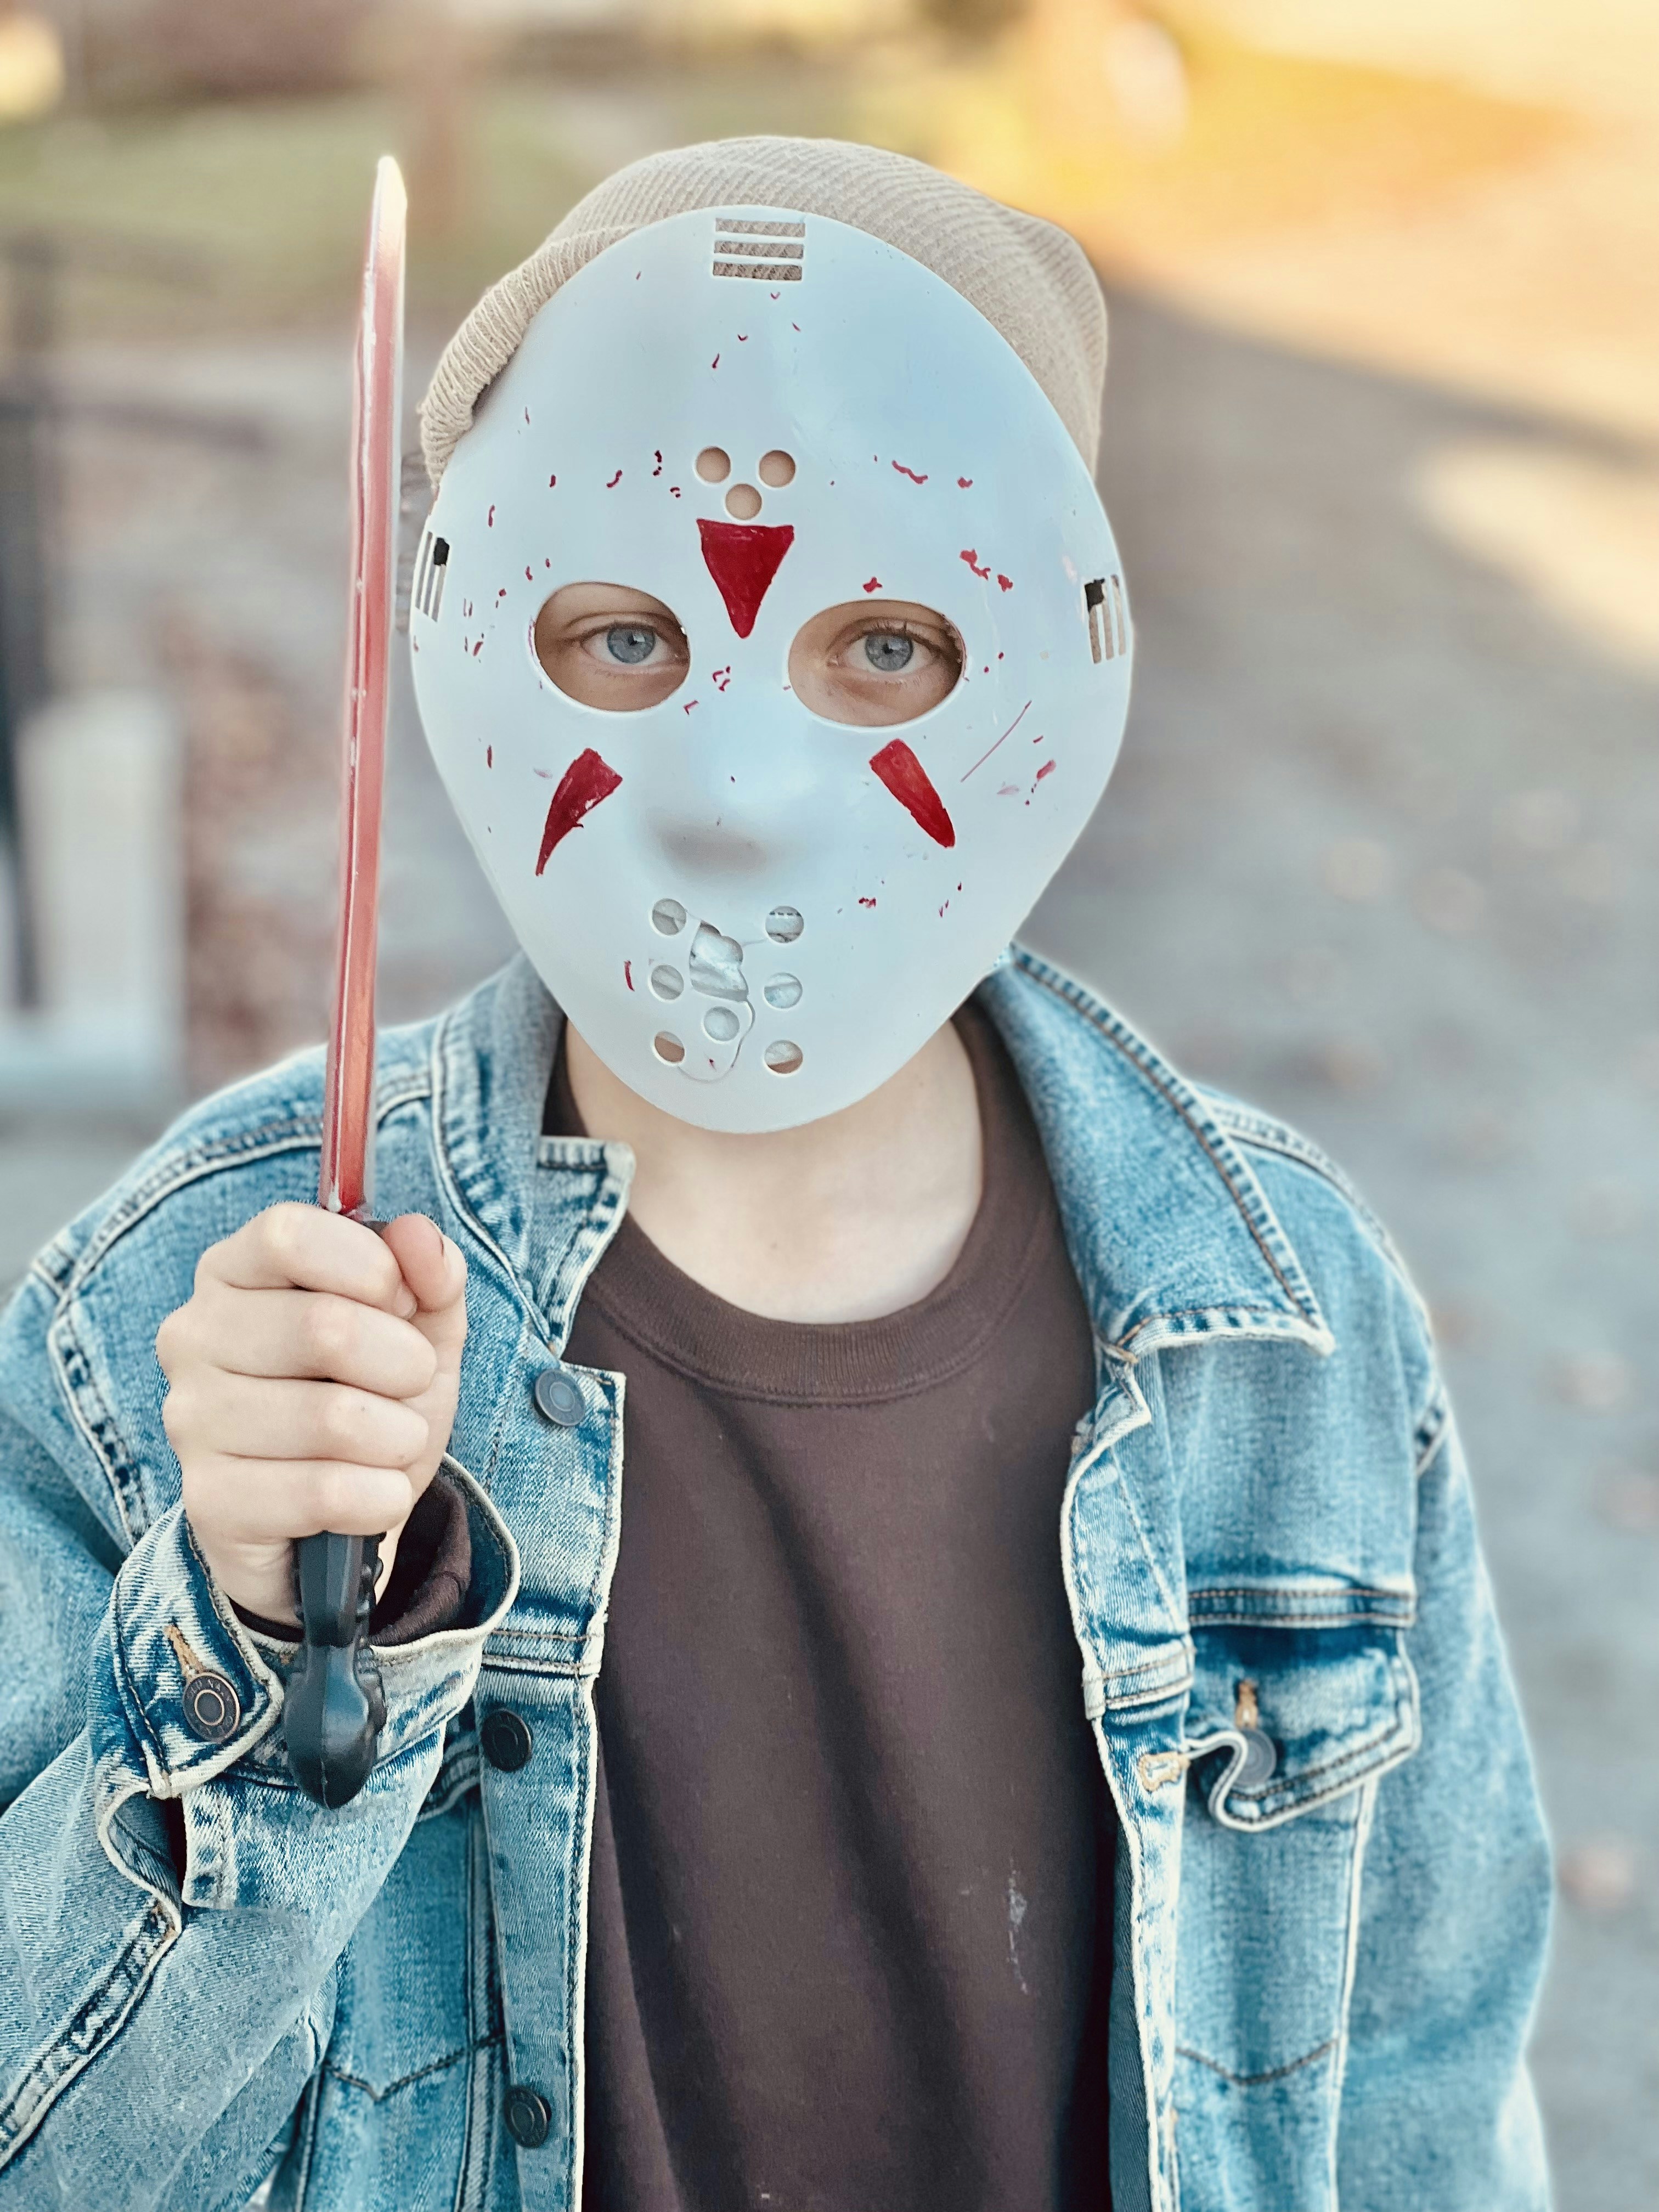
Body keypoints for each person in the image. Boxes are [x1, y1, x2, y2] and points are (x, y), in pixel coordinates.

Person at [0, 138, 1551, 2212]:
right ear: (468, 621)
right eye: (626, 639)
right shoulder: (191, 1323)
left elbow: (1424, 2100)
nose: (738, 787)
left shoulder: (1290, 1339)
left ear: (1063, 650)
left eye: (889, 645)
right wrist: (243, 1647)